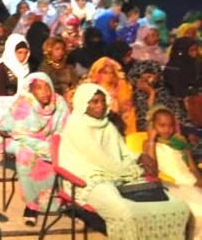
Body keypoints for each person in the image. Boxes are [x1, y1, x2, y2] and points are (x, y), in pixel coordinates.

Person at [58, 83, 190, 240]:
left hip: (119, 175)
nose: (100, 106)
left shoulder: (107, 126)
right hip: (88, 180)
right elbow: (101, 160)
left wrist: (139, 157)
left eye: (102, 101)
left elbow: (123, 154)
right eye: (94, 102)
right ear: (83, 103)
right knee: (126, 212)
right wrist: (133, 170)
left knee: (177, 206)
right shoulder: (76, 126)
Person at [0, 73, 69, 226]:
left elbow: (64, 129)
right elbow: (9, 128)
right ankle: (31, 205)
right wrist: (38, 145)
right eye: (39, 88)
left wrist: (50, 144)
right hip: (22, 140)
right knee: (26, 155)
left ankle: (58, 200)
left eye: (47, 87)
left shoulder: (60, 103)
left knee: (60, 152)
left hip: (50, 141)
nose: (45, 92)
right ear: (31, 90)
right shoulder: (24, 103)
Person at [143, 106, 202, 240]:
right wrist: (151, 139)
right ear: (153, 126)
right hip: (171, 184)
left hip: (189, 180)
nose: (167, 130)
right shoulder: (148, 143)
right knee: (198, 211)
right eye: (161, 125)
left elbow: (191, 165)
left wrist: (199, 179)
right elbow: (151, 167)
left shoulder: (180, 141)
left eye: (170, 126)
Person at [87, 57, 136, 135]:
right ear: (97, 73)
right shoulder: (89, 88)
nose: (109, 76)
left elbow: (127, 112)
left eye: (111, 73)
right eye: (105, 73)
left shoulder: (121, 87)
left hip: (116, 125)